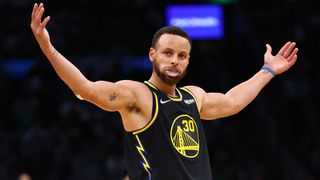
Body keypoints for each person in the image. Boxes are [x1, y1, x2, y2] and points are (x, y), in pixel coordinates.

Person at [30, 3, 298, 180]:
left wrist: (268, 71)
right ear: (152, 55)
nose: (175, 60)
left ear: (189, 61)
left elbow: (231, 101)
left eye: (182, 55)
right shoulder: (136, 96)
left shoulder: (193, 96)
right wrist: (48, 48)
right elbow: (84, 88)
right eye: (168, 53)